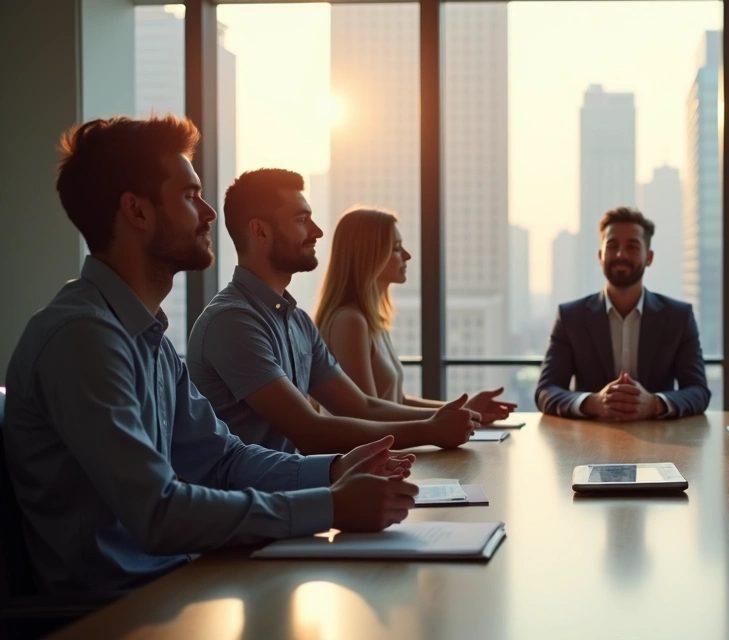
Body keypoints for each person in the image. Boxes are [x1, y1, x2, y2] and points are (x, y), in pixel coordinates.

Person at [3, 116, 420, 594]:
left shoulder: (145, 336)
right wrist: (329, 505)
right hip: (117, 611)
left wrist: (333, 470)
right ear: (137, 212)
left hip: (180, 578)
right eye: (189, 196)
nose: (209, 213)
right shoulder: (83, 340)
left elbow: (222, 460)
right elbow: (158, 513)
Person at [187, 169, 480, 455]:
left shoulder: (297, 322)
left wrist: (446, 417)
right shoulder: (233, 322)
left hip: (293, 493)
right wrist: (429, 430)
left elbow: (362, 406)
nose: (317, 232)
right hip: (254, 501)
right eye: (302, 220)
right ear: (260, 230)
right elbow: (310, 433)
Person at [312, 207, 517, 419]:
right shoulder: (350, 321)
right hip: (370, 452)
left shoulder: (371, 320)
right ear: (370, 255)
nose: (407, 256)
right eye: (397, 248)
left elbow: (396, 401)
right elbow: (367, 414)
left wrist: (464, 411)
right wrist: (444, 421)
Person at [535, 207, 711, 420]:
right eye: (612, 246)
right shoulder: (571, 317)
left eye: (632, 247)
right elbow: (546, 391)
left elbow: (698, 391)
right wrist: (593, 403)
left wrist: (654, 404)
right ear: (600, 256)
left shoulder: (678, 317)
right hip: (588, 444)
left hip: (662, 443)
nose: (621, 254)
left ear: (649, 257)